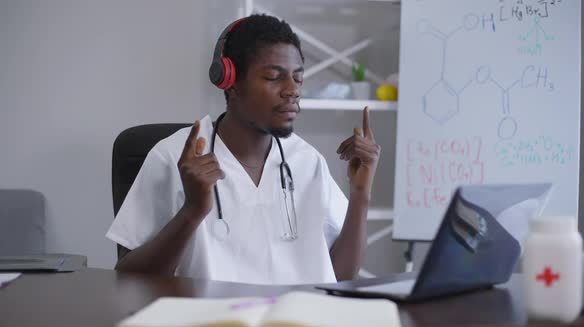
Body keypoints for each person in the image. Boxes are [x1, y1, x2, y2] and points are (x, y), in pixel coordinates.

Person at [106, 14, 381, 285]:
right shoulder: (171, 156)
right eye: (274, 77)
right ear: (231, 80)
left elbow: (342, 276)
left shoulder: (308, 162)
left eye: (297, 78)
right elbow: (128, 279)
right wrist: (192, 211)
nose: (292, 90)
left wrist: (360, 194)